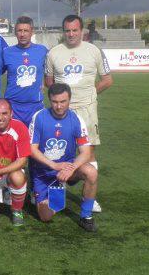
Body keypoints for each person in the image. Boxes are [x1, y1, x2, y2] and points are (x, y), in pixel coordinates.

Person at [44, 14, 113, 212]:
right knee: (57, 149)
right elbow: (49, 82)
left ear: (82, 31)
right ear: (63, 31)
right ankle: (56, 186)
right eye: (67, 30)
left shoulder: (94, 51)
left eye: (75, 30)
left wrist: (91, 94)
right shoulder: (53, 53)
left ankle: (89, 196)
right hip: (62, 111)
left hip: (87, 110)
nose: (71, 34)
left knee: (89, 152)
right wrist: (61, 101)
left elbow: (107, 80)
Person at [29, 83, 99, 232]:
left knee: (91, 172)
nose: (59, 106)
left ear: (69, 100)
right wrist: (54, 166)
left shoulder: (76, 119)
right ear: (49, 100)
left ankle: (86, 216)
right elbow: (32, 149)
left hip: (67, 169)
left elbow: (86, 152)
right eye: (55, 102)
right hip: (44, 172)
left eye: (63, 102)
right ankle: (54, 191)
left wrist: (71, 168)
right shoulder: (39, 117)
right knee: (46, 216)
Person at [2, 16, 48, 126]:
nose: (22, 34)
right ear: (15, 32)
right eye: (19, 30)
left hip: (35, 105)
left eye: (26, 30)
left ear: (32, 32)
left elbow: (52, 71)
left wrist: (44, 84)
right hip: (13, 106)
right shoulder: (7, 52)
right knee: (13, 141)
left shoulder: (42, 50)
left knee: (35, 142)